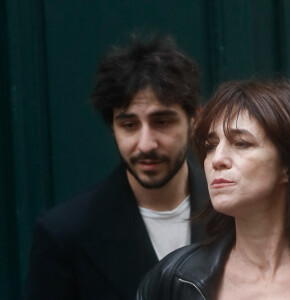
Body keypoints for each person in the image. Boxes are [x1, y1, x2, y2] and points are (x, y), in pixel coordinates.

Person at [25, 36, 208, 300]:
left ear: (194, 120)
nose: (145, 144)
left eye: (162, 122)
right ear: (113, 127)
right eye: (129, 125)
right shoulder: (64, 234)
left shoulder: (232, 214)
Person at [137, 79, 290, 300]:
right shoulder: (174, 279)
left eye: (241, 143)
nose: (217, 160)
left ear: (287, 167)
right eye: (211, 146)